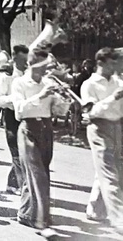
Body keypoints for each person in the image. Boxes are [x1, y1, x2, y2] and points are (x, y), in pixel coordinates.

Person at [11, 49, 72, 238]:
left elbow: (60, 111)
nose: (46, 70)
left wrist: (64, 98)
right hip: (28, 128)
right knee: (38, 176)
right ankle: (41, 221)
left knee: (40, 172)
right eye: (43, 66)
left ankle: (25, 213)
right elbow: (19, 111)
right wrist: (41, 95)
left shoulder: (48, 82)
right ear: (32, 65)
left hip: (46, 129)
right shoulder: (19, 83)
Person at [81, 48, 123, 235]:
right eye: (112, 63)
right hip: (99, 128)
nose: (115, 67)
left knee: (111, 170)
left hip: (116, 127)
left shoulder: (117, 81)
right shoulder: (89, 85)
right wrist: (113, 98)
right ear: (101, 63)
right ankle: (119, 219)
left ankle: (96, 210)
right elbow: (90, 112)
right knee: (109, 175)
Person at [0, 44, 29, 195]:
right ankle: (22, 186)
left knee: (25, 153)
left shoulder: (29, 75)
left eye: (26, 59)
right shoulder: (6, 76)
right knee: (17, 152)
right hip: (11, 116)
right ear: (14, 58)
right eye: (22, 60)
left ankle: (12, 184)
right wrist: (14, 99)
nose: (25, 63)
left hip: (26, 116)